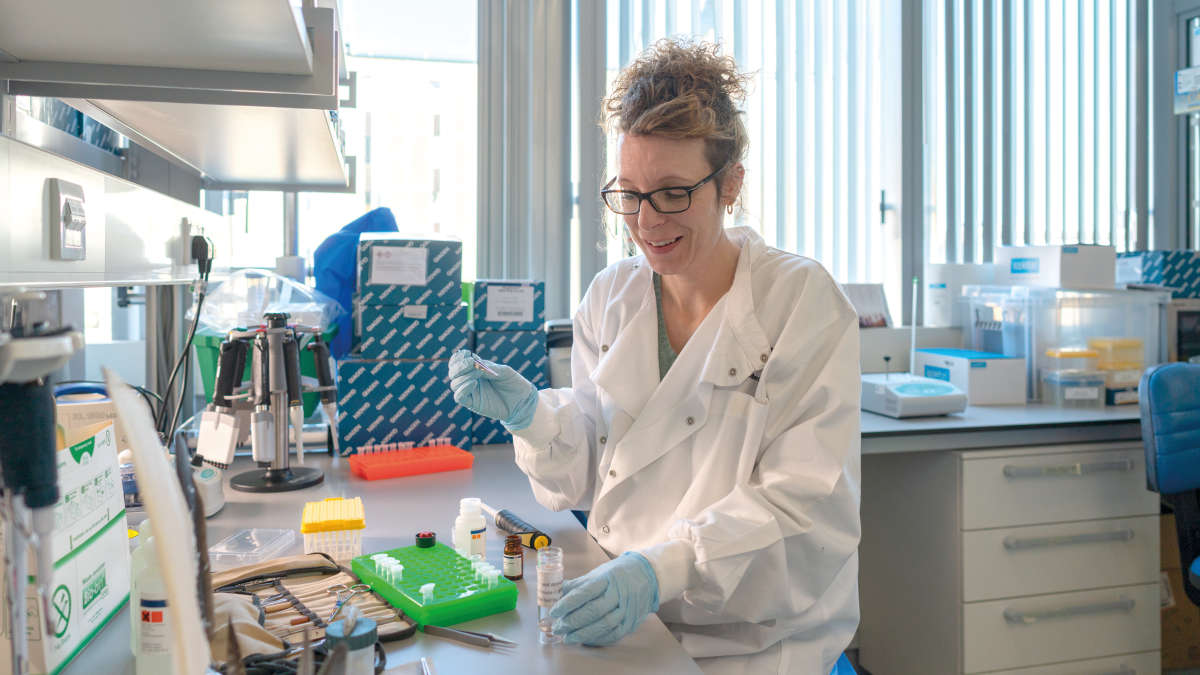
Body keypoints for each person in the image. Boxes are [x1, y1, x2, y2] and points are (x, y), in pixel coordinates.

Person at [449, 38, 860, 675]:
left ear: (730, 183)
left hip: (754, 647)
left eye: (672, 192)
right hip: (623, 621)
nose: (645, 221)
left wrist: (664, 568)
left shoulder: (799, 300)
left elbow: (802, 506)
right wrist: (534, 418)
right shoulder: (611, 296)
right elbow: (590, 475)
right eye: (629, 193)